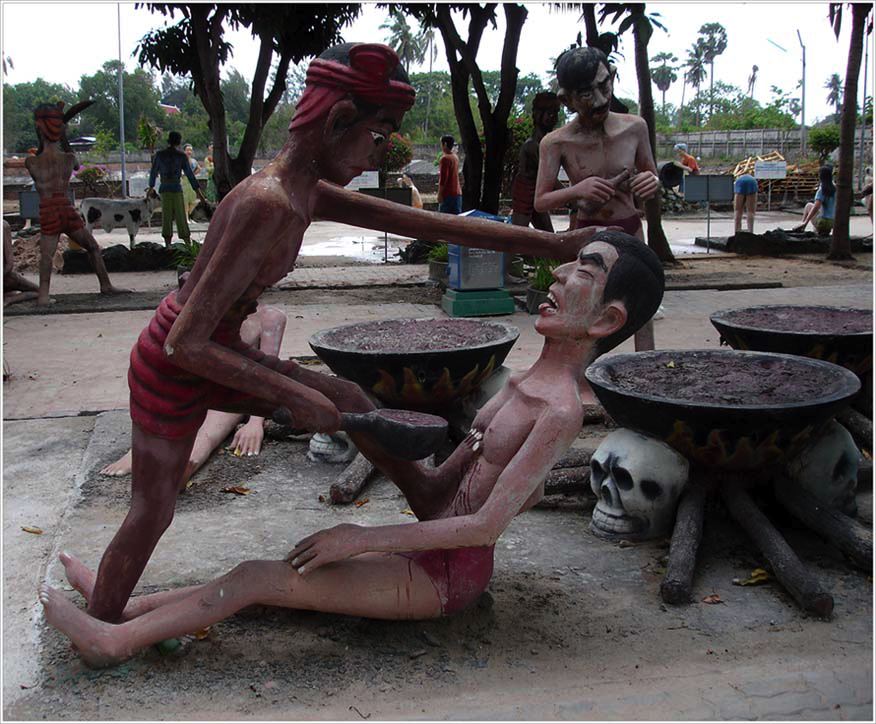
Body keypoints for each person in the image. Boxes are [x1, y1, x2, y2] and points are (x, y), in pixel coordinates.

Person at [74, 42, 605, 626]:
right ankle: (103, 621)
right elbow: (185, 344)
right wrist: (293, 395)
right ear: (338, 120)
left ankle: (429, 498)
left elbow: (426, 223)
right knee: (152, 511)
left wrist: (552, 243)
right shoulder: (269, 202)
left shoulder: (307, 191)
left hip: (219, 350)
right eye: (379, 135)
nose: (380, 152)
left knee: (349, 396)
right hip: (173, 366)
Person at [40, 230, 665, 668]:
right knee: (261, 574)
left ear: (606, 320)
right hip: (422, 550)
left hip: (446, 578)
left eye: (584, 272)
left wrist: (358, 537)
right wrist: (380, 431)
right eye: (569, 263)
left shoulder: (560, 411)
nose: (558, 274)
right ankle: (129, 611)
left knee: (258, 578)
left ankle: (112, 643)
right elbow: (441, 489)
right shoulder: (521, 381)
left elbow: (482, 527)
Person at [533, 45, 661, 350]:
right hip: (588, 234)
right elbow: (541, 200)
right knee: (580, 308)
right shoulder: (556, 142)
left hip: (630, 230)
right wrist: (578, 190)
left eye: (604, 86)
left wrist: (650, 182)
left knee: (640, 304)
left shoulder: (635, 128)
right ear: (567, 99)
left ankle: (643, 364)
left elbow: (651, 175)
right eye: (586, 94)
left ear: (612, 77)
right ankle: (573, 368)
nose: (601, 100)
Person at [99, 304, 287, 480]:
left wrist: (255, 423)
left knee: (206, 438)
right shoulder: (204, 311)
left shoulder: (270, 318)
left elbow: (267, 379)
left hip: (234, 393)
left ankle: (183, 468)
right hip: (197, 387)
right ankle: (138, 453)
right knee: (165, 413)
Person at [25, 101, 129, 306]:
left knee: (47, 256)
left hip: (49, 209)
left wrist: (48, 135)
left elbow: (40, 151)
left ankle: (44, 295)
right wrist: (63, 136)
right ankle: (105, 284)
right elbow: (76, 165)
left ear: (40, 129)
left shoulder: (32, 162)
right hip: (65, 208)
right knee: (92, 247)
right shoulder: (68, 158)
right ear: (60, 131)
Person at [511, 92, 562, 232]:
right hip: (525, 192)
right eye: (549, 113)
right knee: (517, 235)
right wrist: (572, 196)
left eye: (555, 113)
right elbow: (548, 177)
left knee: (548, 235)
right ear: (538, 114)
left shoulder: (545, 143)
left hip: (538, 192)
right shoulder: (532, 146)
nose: (553, 117)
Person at [148, 132, 207, 248]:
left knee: (166, 216)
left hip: (164, 188)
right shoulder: (181, 156)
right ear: (179, 142)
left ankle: (168, 244)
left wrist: (151, 187)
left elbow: (153, 172)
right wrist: (200, 194)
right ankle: (187, 243)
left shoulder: (160, 155)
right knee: (181, 217)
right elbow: (190, 175)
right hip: (176, 188)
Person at [3, 219, 40, 306]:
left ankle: (8, 297)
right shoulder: (3, 225)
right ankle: (8, 300)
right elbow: (9, 265)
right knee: (40, 291)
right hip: (6, 277)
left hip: (5, 277)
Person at [793, 165, 836, 235]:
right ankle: (822, 232)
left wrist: (806, 221)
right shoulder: (835, 188)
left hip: (823, 222)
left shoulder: (822, 190)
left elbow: (816, 207)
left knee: (808, 206)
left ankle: (803, 225)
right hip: (833, 222)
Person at [437, 135, 462, 214]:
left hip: (448, 194)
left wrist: (440, 194)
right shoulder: (455, 157)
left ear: (444, 144)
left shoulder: (445, 159)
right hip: (457, 193)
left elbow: (443, 179)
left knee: (443, 219)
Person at [182, 144, 201, 215]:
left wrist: (193, 174)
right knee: (185, 200)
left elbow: (199, 168)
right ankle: (186, 216)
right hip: (184, 181)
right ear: (184, 151)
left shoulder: (193, 161)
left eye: (190, 150)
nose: (189, 152)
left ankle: (189, 215)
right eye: (187, 150)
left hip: (191, 181)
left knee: (193, 200)